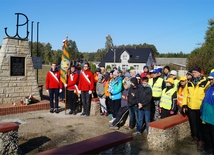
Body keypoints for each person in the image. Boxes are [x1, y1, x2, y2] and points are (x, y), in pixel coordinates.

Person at [182, 66, 210, 151]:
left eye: (195, 72)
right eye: (192, 72)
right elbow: (185, 94)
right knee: (193, 124)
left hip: (200, 107)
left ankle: (201, 141)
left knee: (200, 125)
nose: (193, 74)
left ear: (199, 73)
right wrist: (184, 105)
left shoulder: (205, 82)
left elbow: (207, 95)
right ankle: (195, 138)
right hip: (191, 107)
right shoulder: (189, 82)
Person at [200, 72, 214, 154]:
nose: (210, 81)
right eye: (209, 79)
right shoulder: (209, 88)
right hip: (206, 116)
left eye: (211, 79)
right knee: (207, 135)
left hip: (213, 118)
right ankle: (208, 150)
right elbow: (204, 102)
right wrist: (202, 113)